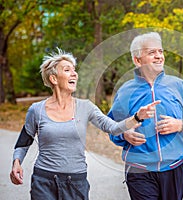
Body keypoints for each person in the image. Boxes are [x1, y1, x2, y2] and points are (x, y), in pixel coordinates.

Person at [9, 48, 160, 200]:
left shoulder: (86, 107)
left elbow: (113, 128)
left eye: (74, 70)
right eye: (67, 70)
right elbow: (25, 139)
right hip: (43, 181)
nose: (74, 73)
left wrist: (137, 117)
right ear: (54, 79)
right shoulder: (37, 110)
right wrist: (16, 162)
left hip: (75, 182)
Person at [108, 32, 183, 200]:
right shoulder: (125, 91)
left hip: (174, 167)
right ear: (137, 60)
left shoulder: (179, 86)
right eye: (151, 52)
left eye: (160, 52)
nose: (159, 56)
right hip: (139, 168)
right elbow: (111, 127)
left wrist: (180, 125)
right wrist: (125, 134)